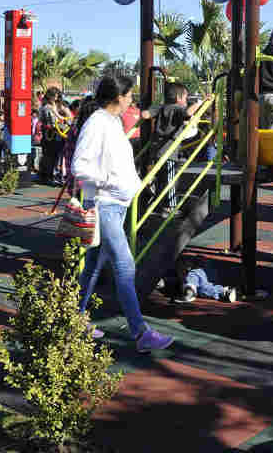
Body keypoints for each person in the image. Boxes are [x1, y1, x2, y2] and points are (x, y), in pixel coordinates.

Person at [72, 75, 174, 353]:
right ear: (118, 96)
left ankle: (74, 320)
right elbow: (79, 165)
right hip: (105, 204)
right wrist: (109, 180)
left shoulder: (111, 122)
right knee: (125, 266)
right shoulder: (97, 123)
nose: (132, 99)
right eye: (129, 94)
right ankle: (140, 332)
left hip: (115, 204)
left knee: (93, 266)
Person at [145, 83, 211, 213]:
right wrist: (201, 101)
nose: (186, 101)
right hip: (169, 151)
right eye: (185, 98)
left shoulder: (161, 107)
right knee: (170, 180)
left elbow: (145, 115)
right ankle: (171, 207)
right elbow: (187, 112)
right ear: (178, 98)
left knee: (160, 180)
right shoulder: (177, 108)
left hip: (156, 149)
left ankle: (158, 203)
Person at [173, 256, 238, 304]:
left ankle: (190, 290)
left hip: (199, 270)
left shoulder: (193, 271)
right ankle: (223, 291)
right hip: (203, 271)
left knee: (196, 278)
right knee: (202, 285)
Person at [37, 87, 68, 184]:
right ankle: (48, 176)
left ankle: (52, 175)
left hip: (56, 134)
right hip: (50, 134)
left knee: (55, 156)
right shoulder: (47, 107)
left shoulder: (55, 106)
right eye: (55, 95)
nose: (56, 97)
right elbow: (51, 121)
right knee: (50, 156)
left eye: (57, 95)